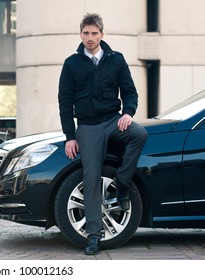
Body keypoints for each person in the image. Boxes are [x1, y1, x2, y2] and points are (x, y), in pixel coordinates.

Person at [58, 13, 147, 255]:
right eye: (85, 33)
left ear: (102, 34)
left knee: (139, 134)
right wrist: (70, 136)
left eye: (94, 33)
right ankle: (94, 236)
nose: (90, 38)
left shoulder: (116, 60)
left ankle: (122, 182)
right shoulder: (71, 64)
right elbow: (64, 102)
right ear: (80, 34)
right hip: (87, 127)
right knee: (91, 177)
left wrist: (128, 113)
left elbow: (130, 91)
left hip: (113, 120)